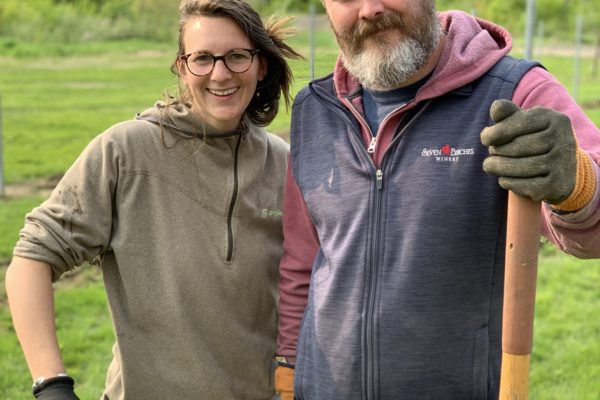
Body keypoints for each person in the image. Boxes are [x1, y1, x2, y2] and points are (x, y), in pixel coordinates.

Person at [274, 1, 600, 399]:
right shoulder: (314, 109)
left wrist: (577, 184)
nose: (370, 9)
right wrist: (289, 374)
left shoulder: (515, 92)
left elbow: (592, 225)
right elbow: (301, 263)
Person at [5, 0, 302, 398]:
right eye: (202, 58)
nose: (220, 73)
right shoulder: (125, 151)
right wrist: (51, 385)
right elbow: (31, 259)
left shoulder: (283, 164)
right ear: (181, 67)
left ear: (260, 65)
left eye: (236, 56)